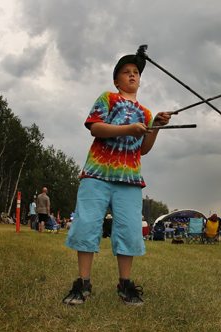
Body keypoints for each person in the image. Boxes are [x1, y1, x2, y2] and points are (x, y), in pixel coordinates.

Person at [62, 53, 172, 305]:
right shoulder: (108, 98)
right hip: (97, 174)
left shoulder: (145, 112)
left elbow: (143, 149)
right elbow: (96, 127)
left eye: (136, 72)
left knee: (130, 231)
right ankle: (83, 284)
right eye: (126, 71)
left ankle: (125, 285)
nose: (133, 74)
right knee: (87, 225)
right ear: (116, 80)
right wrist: (128, 129)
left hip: (129, 179)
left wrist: (155, 126)